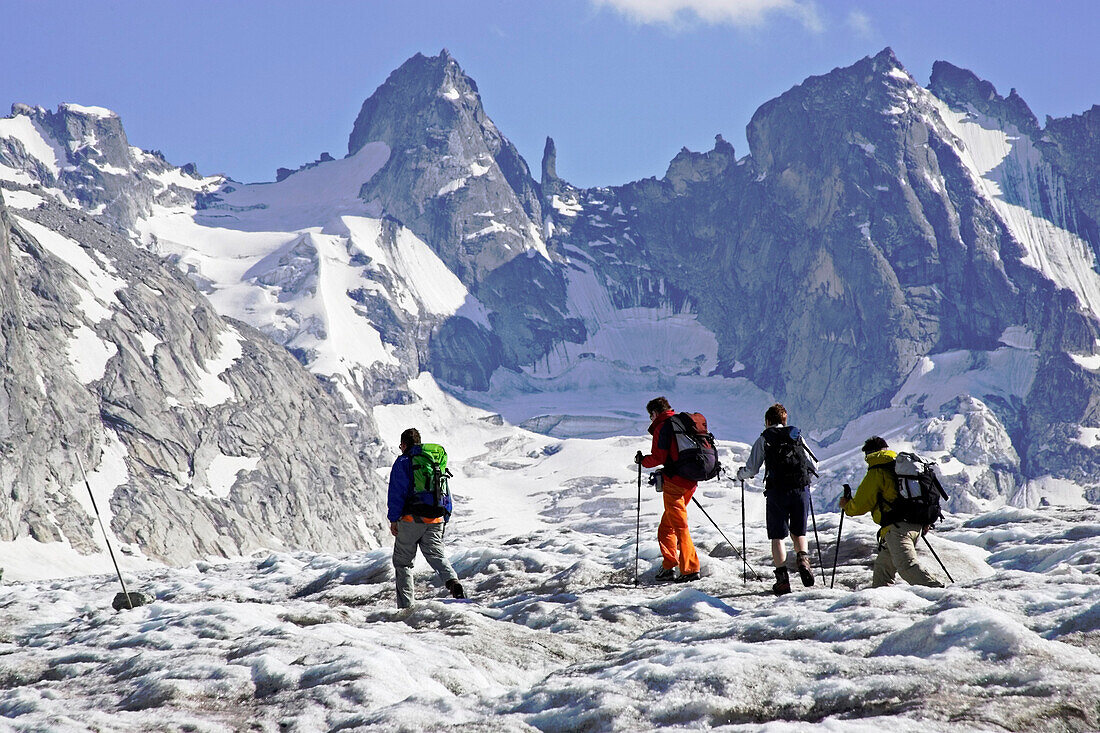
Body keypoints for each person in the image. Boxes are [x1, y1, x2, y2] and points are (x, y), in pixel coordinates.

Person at [839, 436, 944, 588]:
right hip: (914, 526)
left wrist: (847, 505)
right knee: (883, 571)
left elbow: (860, 506)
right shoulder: (899, 467)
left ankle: (939, 591)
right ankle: (879, 603)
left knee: (907, 567)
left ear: (869, 454)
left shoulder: (877, 472)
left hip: (898, 529)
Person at [735, 403, 817, 596]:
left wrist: (741, 475)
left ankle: (782, 581)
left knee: (778, 535)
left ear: (767, 421)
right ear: (785, 420)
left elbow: (752, 469)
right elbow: (812, 464)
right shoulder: (797, 435)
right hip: (800, 489)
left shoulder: (765, 438)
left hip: (777, 491)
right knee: (799, 531)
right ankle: (803, 561)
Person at [388, 427, 465, 608]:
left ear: (404, 445)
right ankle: (453, 582)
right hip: (436, 517)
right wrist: (444, 517)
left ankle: (406, 608)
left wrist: (393, 519)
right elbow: (445, 491)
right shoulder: (434, 461)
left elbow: (396, 493)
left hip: (410, 520)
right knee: (437, 556)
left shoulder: (403, 461)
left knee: (403, 563)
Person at [634, 396, 701, 582]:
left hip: (675, 483)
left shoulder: (663, 426)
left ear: (655, 413)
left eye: (650, 416)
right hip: (690, 481)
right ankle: (669, 566)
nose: (651, 419)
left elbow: (658, 457)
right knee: (667, 527)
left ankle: (690, 569)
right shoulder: (681, 422)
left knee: (679, 526)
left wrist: (643, 461)